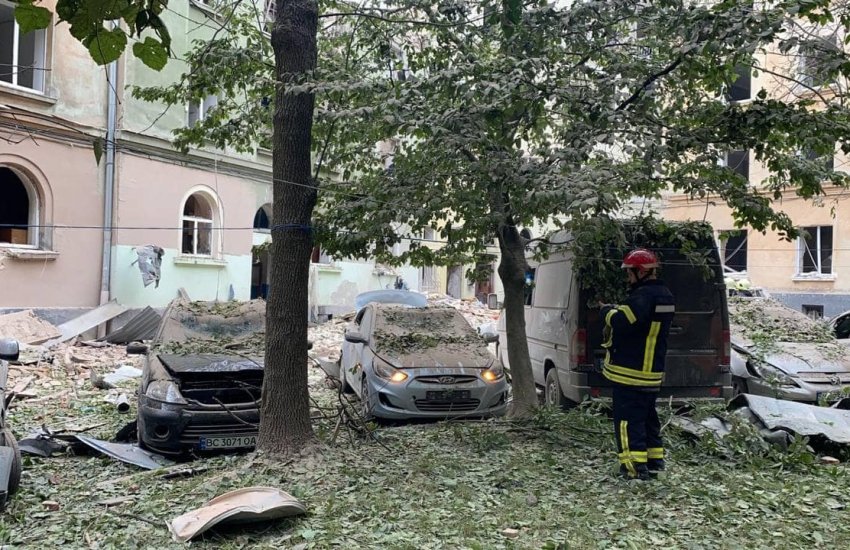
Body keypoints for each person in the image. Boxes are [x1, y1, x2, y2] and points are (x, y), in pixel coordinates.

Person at [600, 248, 675, 480]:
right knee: (648, 419)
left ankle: (633, 469)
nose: (628, 278)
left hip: (630, 373)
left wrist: (606, 311)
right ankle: (654, 465)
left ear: (641, 271)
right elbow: (641, 321)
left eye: (629, 273)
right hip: (651, 373)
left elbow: (623, 321)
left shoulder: (642, 297)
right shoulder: (665, 295)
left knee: (626, 422)